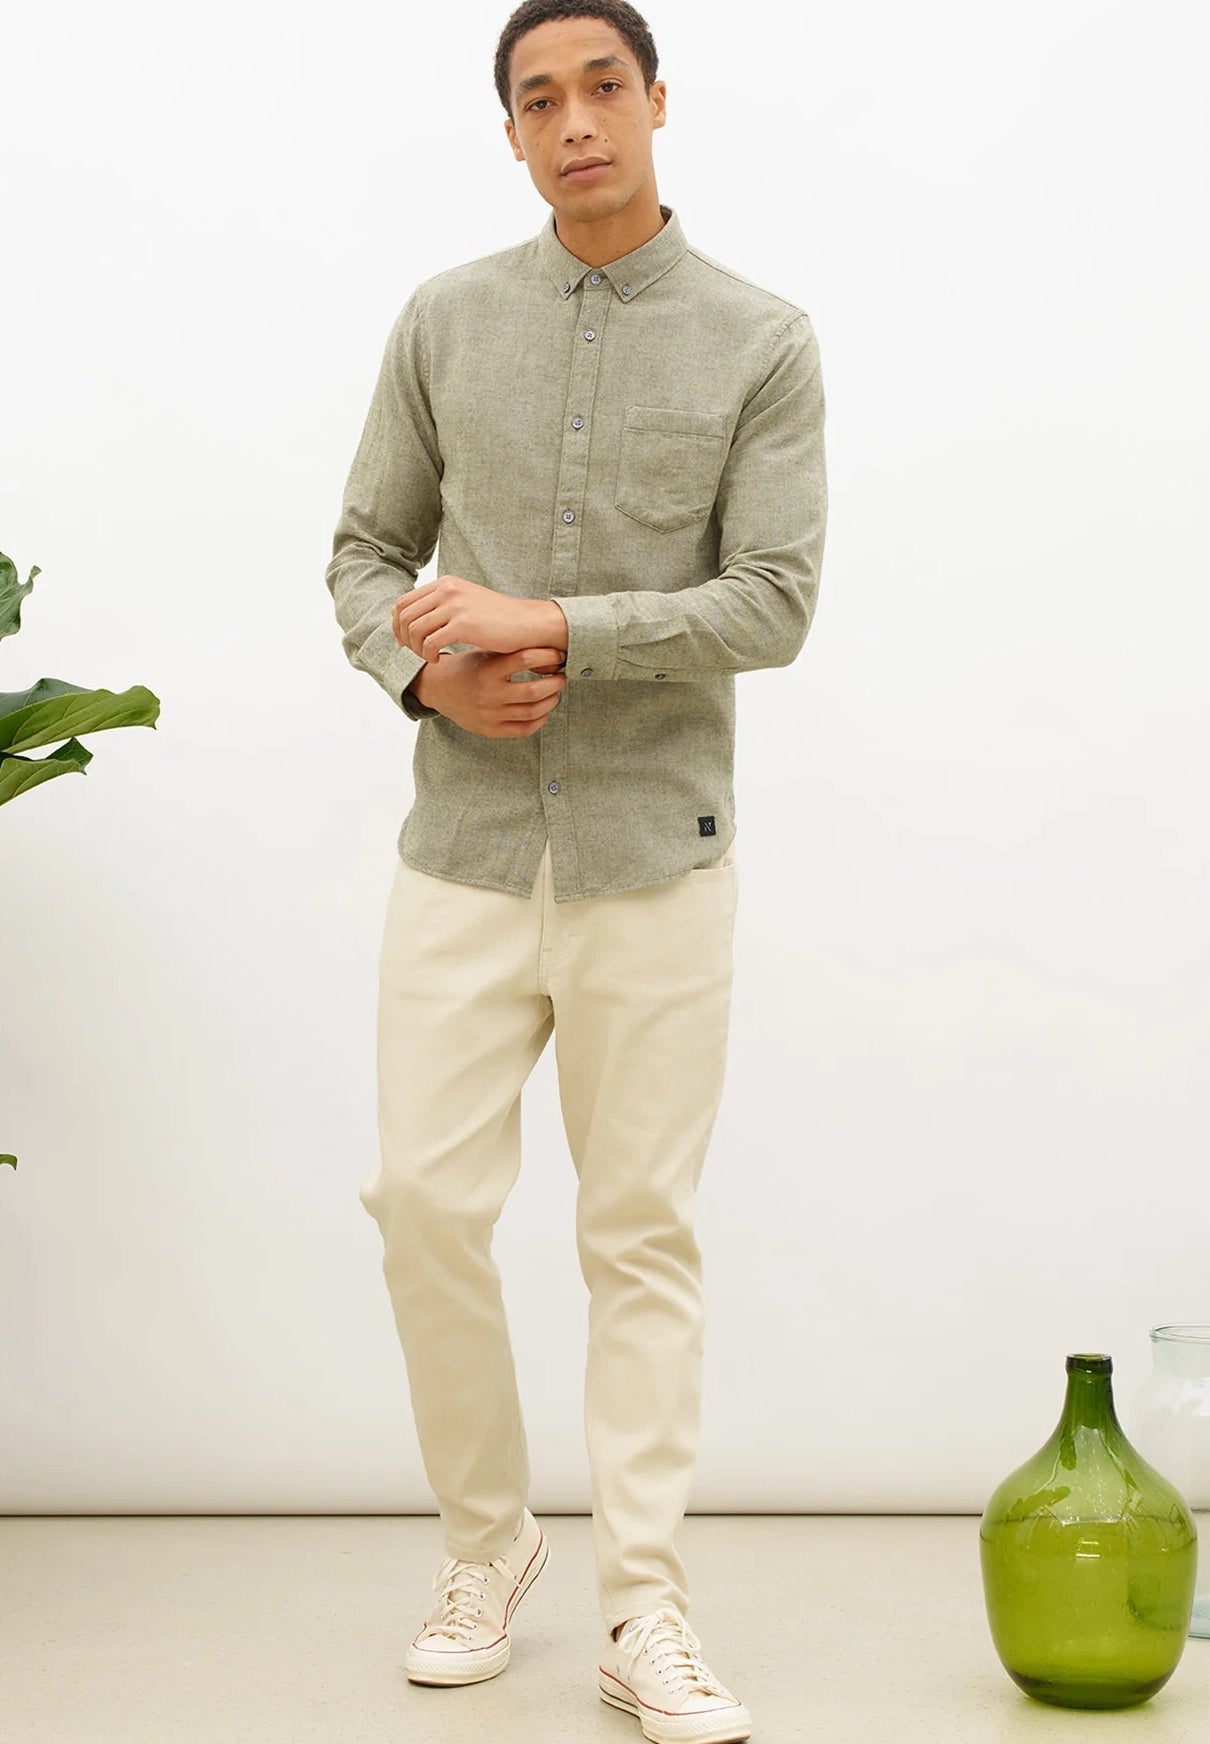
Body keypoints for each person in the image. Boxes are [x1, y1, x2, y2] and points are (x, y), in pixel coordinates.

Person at [325, 2, 827, 1738]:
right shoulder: (443, 320)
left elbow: (773, 601)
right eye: (538, 99)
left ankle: (645, 1609)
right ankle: (486, 1547)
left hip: (654, 858)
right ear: (512, 134)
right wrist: (423, 677)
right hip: (463, 851)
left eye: (601, 86)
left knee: (637, 1232)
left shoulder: (760, 340)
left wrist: (554, 624)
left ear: (655, 101)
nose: (574, 122)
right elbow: (364, 552)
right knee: (419, 1204)